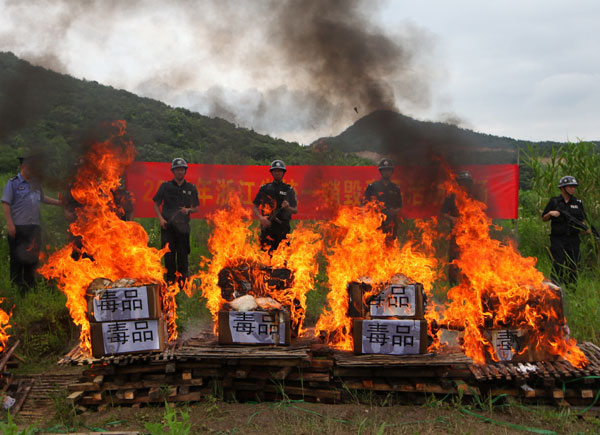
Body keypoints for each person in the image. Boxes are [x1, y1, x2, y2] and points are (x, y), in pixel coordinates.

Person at [2, 156, 60, 292]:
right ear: (22, 167)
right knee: (17, 259)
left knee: (33, 259)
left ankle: (29, 286)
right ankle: (16, 287)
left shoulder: (35, 183)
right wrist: (10, 225)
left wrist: (59, 203)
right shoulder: (13, 183)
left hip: (34, 228)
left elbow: (42, 198)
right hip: (18, 228)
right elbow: (6, 203)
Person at [153, 158, 199, 287]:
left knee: (183, 255)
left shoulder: (191, 187)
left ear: (185, 171)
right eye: (177, 169)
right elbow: (156, 204)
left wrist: (188, 210)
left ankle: (183, 284)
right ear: (173, 171)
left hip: (183, 227)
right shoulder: (166, 186)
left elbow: (196, 208)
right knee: (169, 256)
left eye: (182, 169)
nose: (180, 172)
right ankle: (170, 283)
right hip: (168, 227)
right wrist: (160, 219)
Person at [542, 175, 591, 287]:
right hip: (558, 238)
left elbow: (583, 219)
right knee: (558, 263)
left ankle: (571, 288)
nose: (573, 189)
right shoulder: (554, 201)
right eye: (570, 186)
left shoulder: (578, 203)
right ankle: (555, 288)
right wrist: (550, 213)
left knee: (573, 265)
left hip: (573, 239)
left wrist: (586, 228)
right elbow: (543, 218)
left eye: (574, 187)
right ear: (563, 188)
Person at [252, 160, 298, 253]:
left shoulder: (288, 189)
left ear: (283, 173)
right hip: (268, 227)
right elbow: (254, 206)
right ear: (272, 172)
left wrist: (288, 207)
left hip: (283, 228)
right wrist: (261, 218)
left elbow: (295, 210)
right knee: (266, 258)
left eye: (280, 171)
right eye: (275, 171)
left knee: (282, 258)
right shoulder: (265, 188)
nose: (277, 173)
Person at [441, 170, 475, 285]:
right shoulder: (451, 196)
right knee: (454, 258)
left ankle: (467, 282)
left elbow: (479, 212)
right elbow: (443, 213)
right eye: (462, 183)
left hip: (470, 232)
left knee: (469, 257)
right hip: (456, 232)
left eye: (466, 183)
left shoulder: (472, 197)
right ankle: (453, 282)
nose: (464, 185)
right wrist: (453, 219)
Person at [363, 159, 403, 243]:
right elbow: (364, 203)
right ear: (380, 172)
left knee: (389, 247)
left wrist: (394, 211)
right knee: (374, 246)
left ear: (392, 172)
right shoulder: (372, 187)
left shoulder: (395, 188)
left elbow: (399, 205)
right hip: (376, 222)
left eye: (388, 170)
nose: (386, 172)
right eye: (384, 170)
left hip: (391, 221)